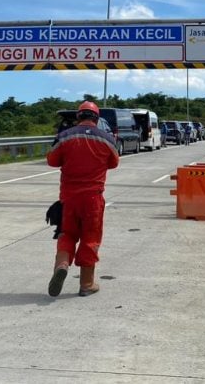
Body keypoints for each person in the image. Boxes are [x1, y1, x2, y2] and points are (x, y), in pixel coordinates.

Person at [46, 100, 119, 297]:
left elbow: (51, 160)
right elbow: (114, 163)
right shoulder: (107, 138)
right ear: (97, 118)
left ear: (78, 117)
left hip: (68, 199)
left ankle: (62, 264)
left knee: (66, 233)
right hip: (93, 199)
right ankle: (86, 284)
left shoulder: (64, 136)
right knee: (90, 238)